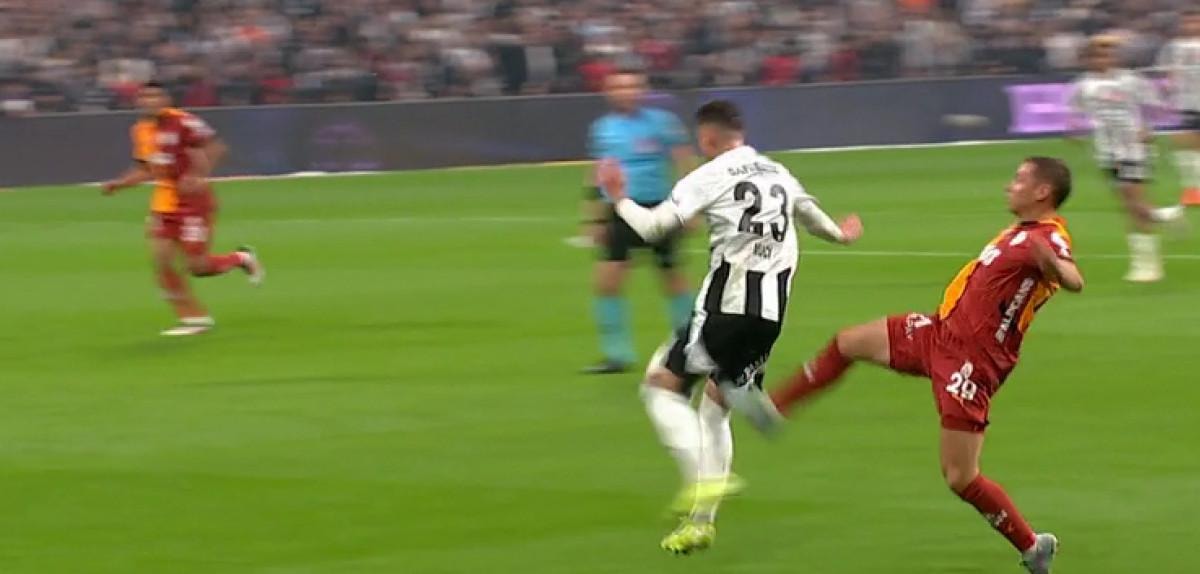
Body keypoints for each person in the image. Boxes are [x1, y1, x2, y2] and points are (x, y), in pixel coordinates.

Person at [766, 157, 1082, 574]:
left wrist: (1053, 265)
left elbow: (1073, 279)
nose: (1010, 185)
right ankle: (773, 407)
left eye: (1020, 179)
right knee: (848, 342)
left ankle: (1032, 546)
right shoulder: (1020, 231)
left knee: (960, 476)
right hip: (939, 334)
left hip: (972, 362)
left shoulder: (1049, 235)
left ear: (1042, 192)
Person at [598, 100, 862, 554]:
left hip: (725, 308)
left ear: (707, 139)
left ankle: (702, 477)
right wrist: (842, 234)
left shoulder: (710, 174)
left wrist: (619, 197)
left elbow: (654, 227)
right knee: (715, 405)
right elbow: (812, 217)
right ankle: (701, 524)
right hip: (769, 317)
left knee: (660, 386)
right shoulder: (777, 172)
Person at [102, 81, 264, 336]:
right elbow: (147, 169)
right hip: (164, 203)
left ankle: (241, 258)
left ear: (165, 99)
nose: (149, 101)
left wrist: (199, 175)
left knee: (197, 266)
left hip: (193, 202)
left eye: (155, 96)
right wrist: (120, 184)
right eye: (144, 96)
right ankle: (194, 319)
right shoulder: (140, 130)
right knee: (162, 261)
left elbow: (217, 147)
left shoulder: (184, 121)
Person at [581, 69, 696, 374]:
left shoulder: (663, 123)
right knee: (607, 282)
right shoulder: (603, 128)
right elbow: (598, 171)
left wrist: (691, 208)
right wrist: (594, 217)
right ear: (608, 92)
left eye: (631, 86)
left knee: (673, 278)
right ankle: (617, 355)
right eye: (619, 87)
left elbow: (684, 163)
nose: (626, 92)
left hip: (659, 208)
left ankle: (691, 348)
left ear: (642, 90)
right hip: (619, 210)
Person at [1068, 35, 1184, 283]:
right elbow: (1075, 114)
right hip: (1106, 151)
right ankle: (1161, 227)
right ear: (1087, 59)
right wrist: (1074, 129)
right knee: (1130, 206)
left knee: (1134, 201)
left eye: (1106, 54)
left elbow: (1156, 106)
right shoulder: (1083, 85)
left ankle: (1149, 264)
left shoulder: (1130, 81)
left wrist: (1148, 128)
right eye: (1096, 55)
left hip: (1133, 149)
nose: (1102, 59)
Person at [1155, 10, 1200, 206]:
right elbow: (1166, 73)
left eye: (1196, 21)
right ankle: (1191, 189)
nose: (1192, 25)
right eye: (1188, 21)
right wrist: (1168, 92)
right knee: (1185, 143)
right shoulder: (1173, 47)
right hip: (1185, 101)